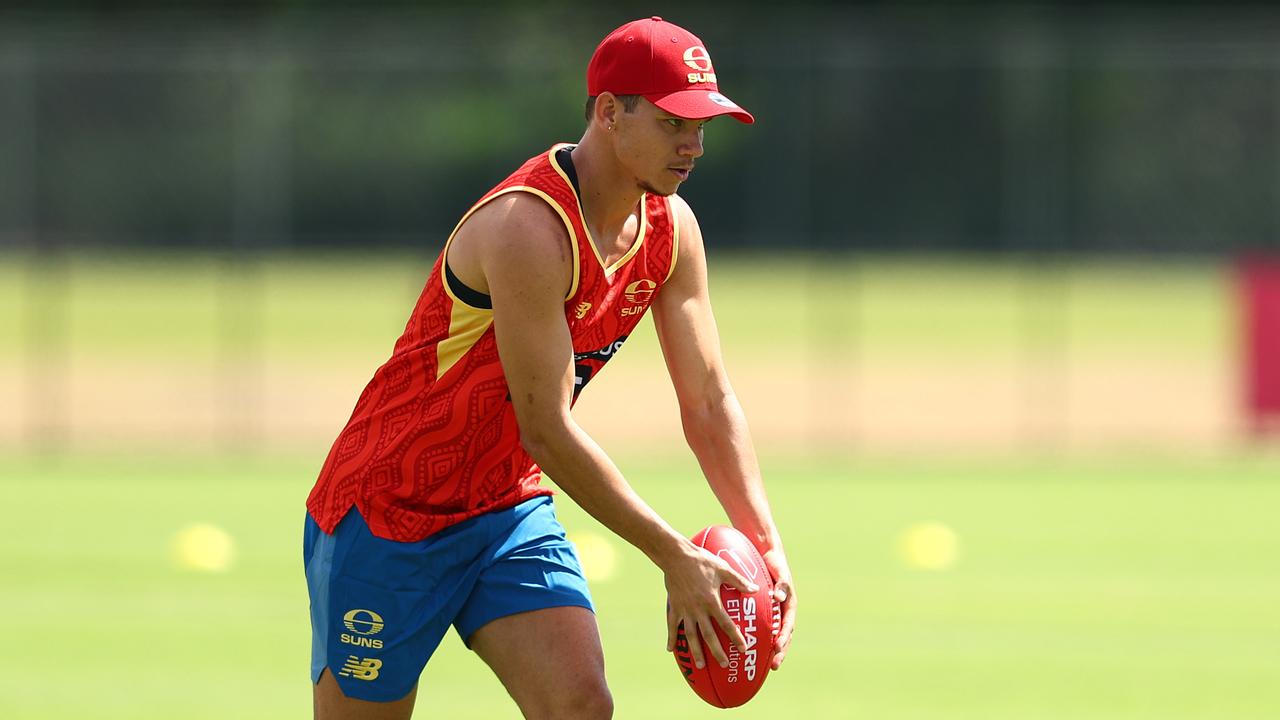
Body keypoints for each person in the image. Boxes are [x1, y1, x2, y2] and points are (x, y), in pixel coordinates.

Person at [303, 16, 796, 720]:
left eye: (702, 125)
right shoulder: (528, 229)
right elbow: (547, 429)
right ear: (608, 113)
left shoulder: (672, 230)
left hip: (504, 510)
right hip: (388, 511)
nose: (692, 145)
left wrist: (765, 544)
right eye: (672, 122)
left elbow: (710, 402)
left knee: (582, 707)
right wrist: (672, 555)